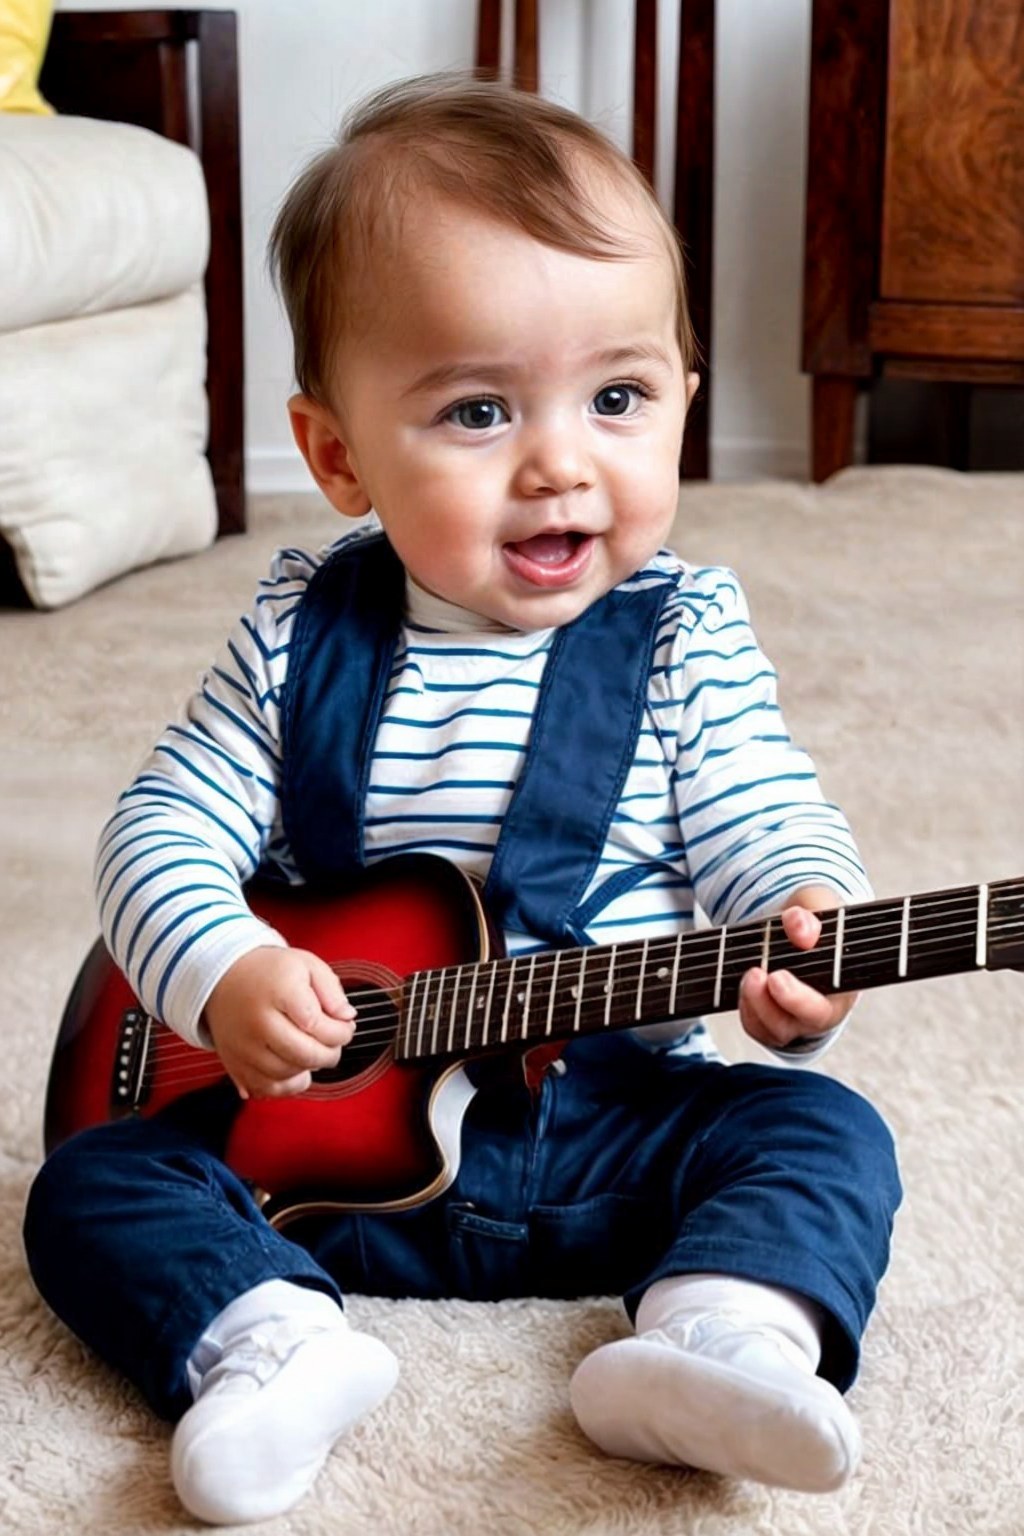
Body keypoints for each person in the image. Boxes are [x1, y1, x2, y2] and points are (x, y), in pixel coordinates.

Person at [24, 74, 901, 1526]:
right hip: (320, 1159)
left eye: (618, 397)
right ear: (337, 454)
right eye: (480, 409)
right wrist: (229, 968)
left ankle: (716, 1337)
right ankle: (272, 1341)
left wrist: (802, 912)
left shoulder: (685, 635)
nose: (563, 461)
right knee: (88, 1185)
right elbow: (159, 830)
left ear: (683, 397)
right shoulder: (303, 629)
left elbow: (766, 813)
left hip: (602, 1130)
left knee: (824, 1137)